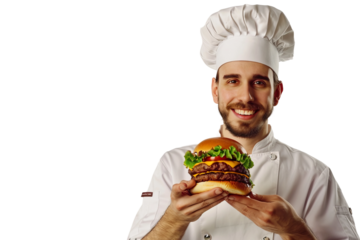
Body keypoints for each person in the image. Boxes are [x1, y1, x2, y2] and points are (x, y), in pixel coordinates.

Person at [126, 3, 359, 240]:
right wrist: (175, 219)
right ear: (215, 89)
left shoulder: (315, 174)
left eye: (259, 82)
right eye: (233, 81)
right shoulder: (172, 163)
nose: (245, 97)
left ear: (277, 92)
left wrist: (293, 229)